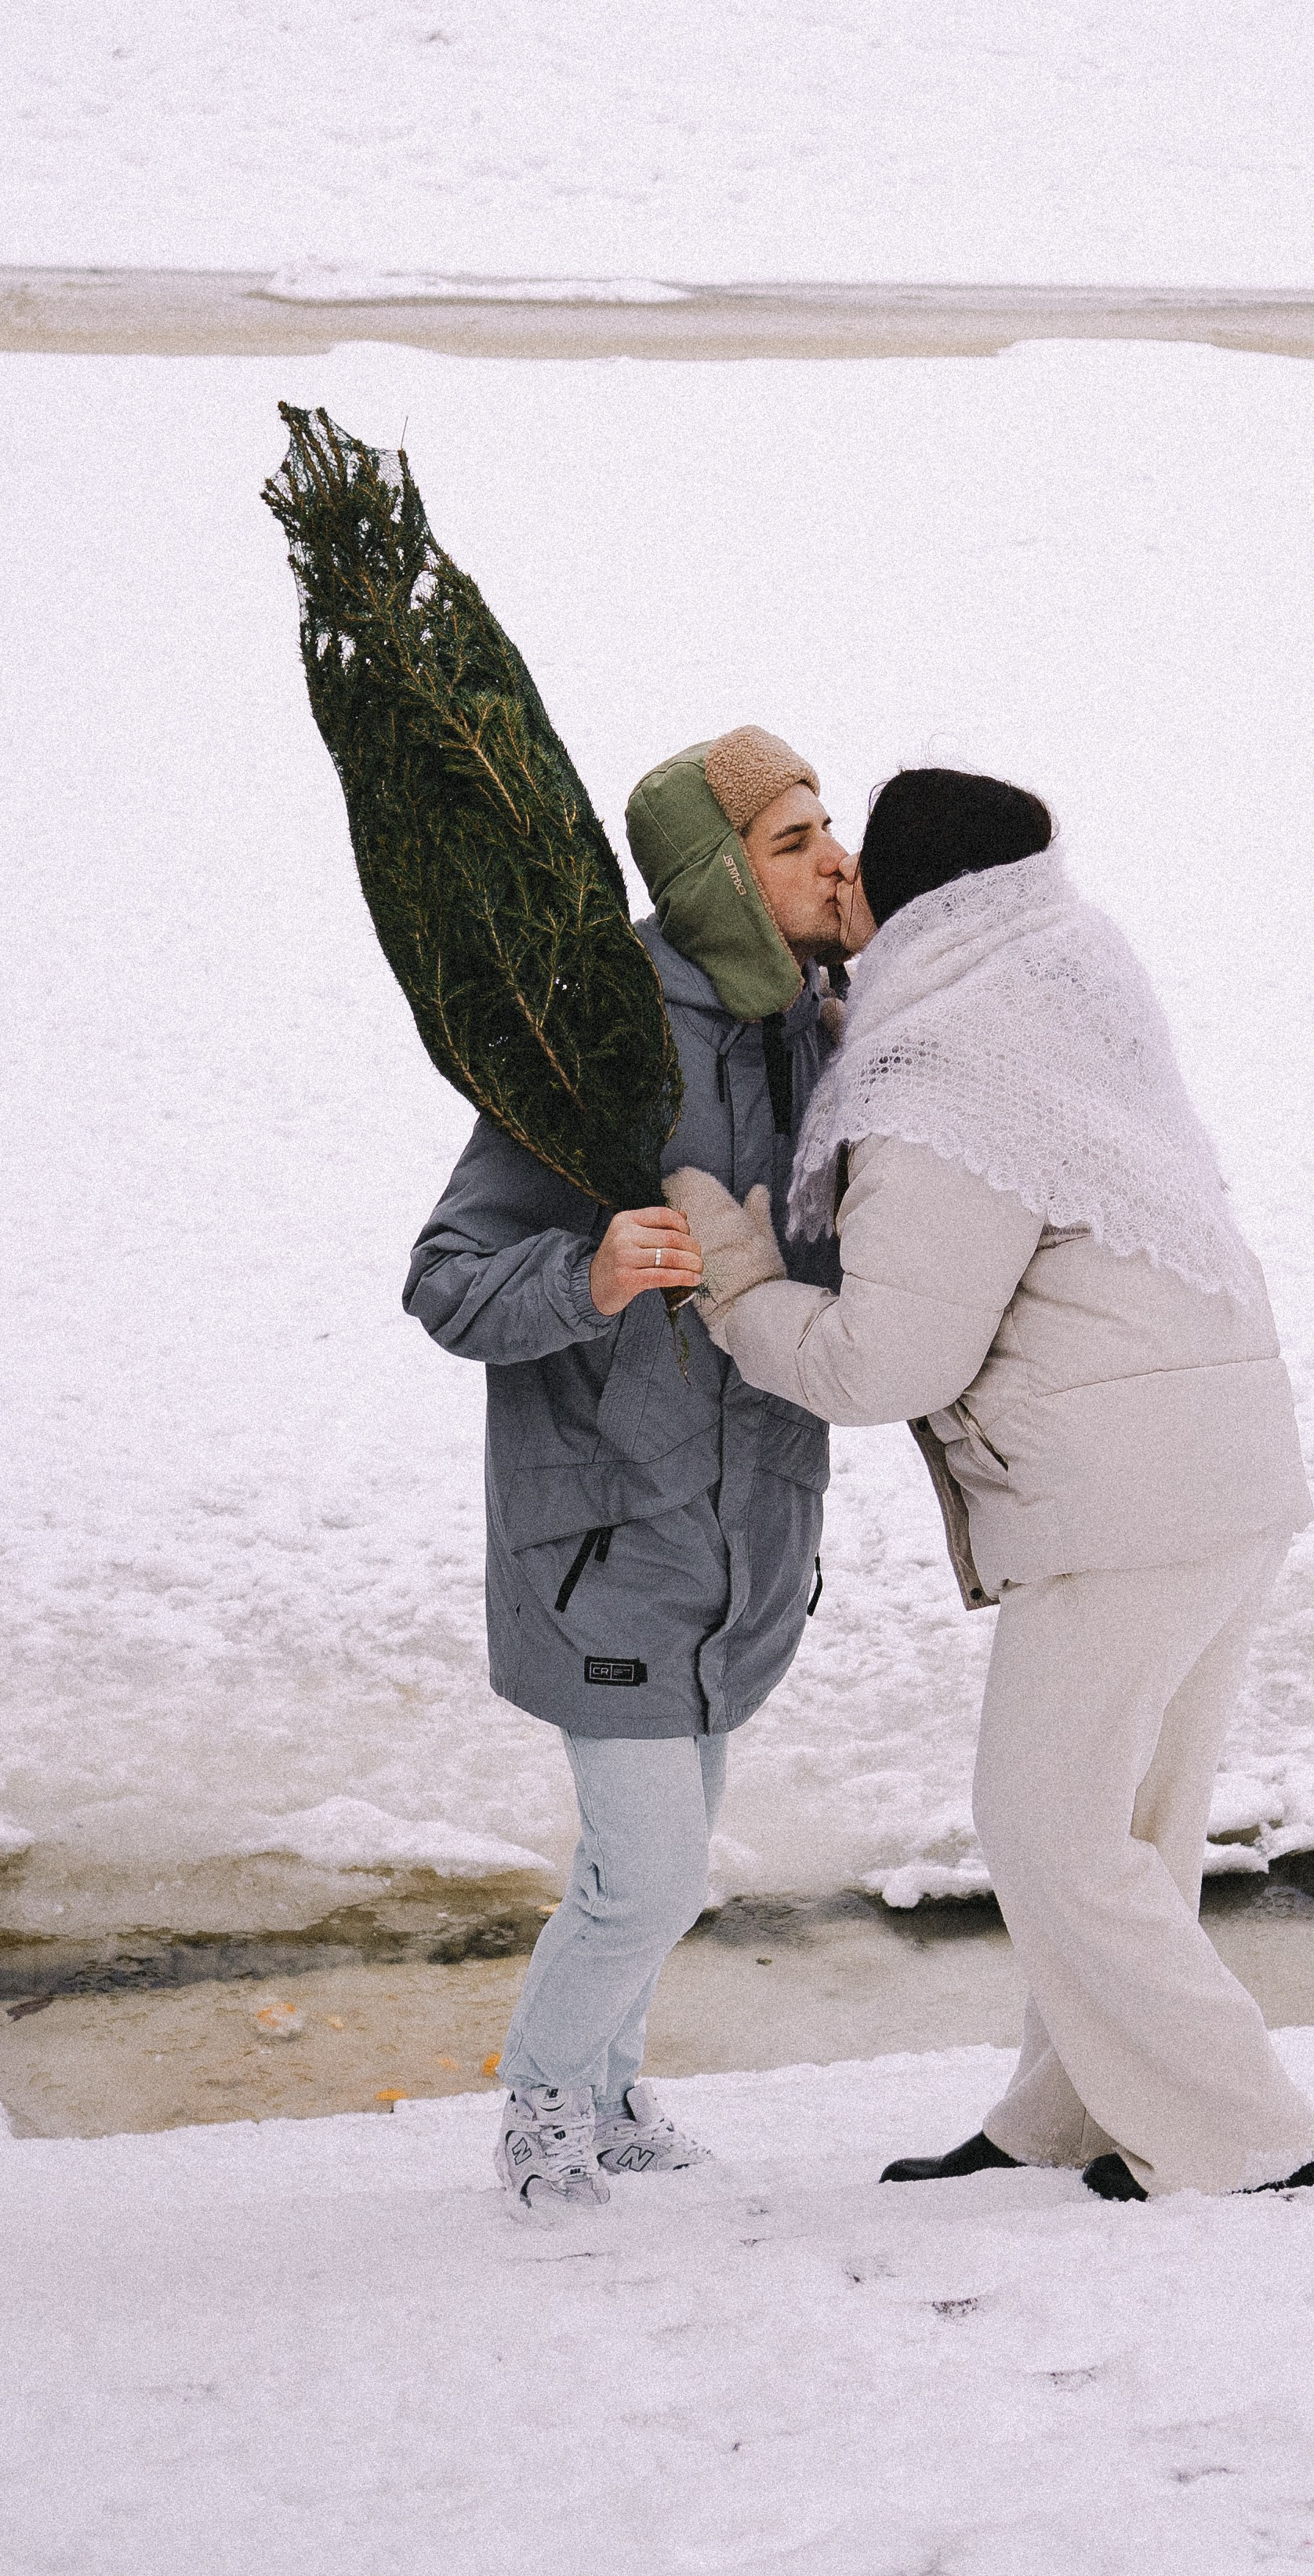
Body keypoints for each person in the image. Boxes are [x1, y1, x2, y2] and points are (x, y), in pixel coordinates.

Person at [666, 768, 1314, 2204]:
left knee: (1047, 1828)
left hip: (1125, 1501)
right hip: (1223, 1461)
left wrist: (733, 1280)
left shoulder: (937, 1076)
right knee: (1132, 1827)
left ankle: (1248, 2141)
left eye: (857, 864)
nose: (836, 877)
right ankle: (1073, 2113)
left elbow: (880, 1360)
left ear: (916, 904)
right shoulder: (1061, 968)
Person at [405, 727, 851, 2221]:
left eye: (825, 828)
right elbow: (448, 1276)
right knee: (649, 1872)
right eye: (791, 843)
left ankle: (607, 2091)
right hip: (602, 1539)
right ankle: (540, 2101)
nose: (830, 858)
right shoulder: (593, 1038)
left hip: (746, 1535)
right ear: (718, 876)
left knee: (665, 1858)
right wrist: (585, 1271)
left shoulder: (817, 1032)